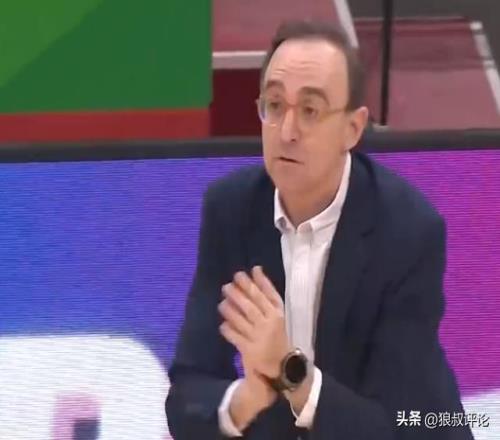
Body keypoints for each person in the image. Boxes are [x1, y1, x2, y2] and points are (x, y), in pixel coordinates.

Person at [165, 20, 474, 440]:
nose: (287, 132)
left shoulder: (408, 231)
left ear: (353, 128)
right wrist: (248, 398)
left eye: (310, 111)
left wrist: (288, 371)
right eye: (275, 105)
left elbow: (392, 427)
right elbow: (187, 399)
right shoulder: (231, 210)